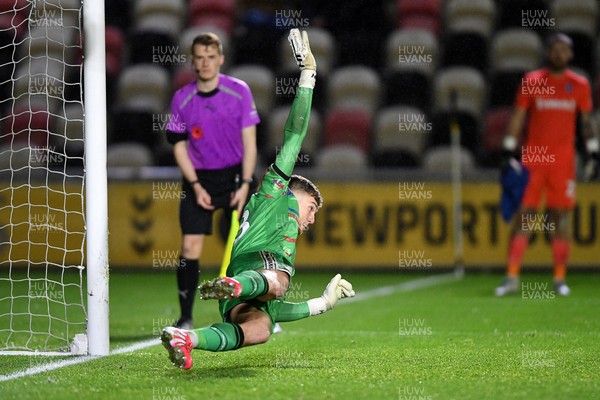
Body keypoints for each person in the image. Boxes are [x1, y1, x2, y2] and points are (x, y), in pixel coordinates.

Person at [160, 29, 355, 370]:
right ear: (297, 194)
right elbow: (295, 134)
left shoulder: (284, 248)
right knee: (277, 282)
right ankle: (233, 287)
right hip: (257, 268)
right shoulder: (276, 193)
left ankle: (186, 338)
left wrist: (324, 303)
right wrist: (308, 75)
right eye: (311, 209)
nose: (310, 220)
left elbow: (280, 307)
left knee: (261, 328)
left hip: (246, 279)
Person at [165, 32, 259, 329]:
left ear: (221, 59)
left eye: (211, 57)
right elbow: (178, 145)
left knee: (248, 247)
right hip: (199, 179)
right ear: (193, 61)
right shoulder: (182, 98)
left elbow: (250, 142)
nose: (205, 63)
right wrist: (195, 185)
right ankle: (186, 317)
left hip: (235, 176)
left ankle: (258, 313)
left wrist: (245, 184)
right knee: (190, 247)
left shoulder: (239, 91)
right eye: (200, 57)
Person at [495, 33, 599, 297]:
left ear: (571, 55)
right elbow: (518, 116)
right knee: (525, 217)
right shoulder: (532, 82)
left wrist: (594, 153)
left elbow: (586, 122)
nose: (559, 54)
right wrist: (508, 148)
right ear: (547, 53)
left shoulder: (579, 85)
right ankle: (511, 276)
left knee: (560, 220)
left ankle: (559, 279)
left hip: (563, 162)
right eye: (555, 49)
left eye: (564, 50)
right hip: (534, 159)